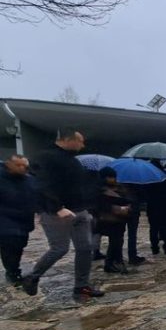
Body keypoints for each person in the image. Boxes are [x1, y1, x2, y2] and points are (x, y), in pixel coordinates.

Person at [21, 128, 105, 300]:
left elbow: (78, 186)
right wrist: (57, 207)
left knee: (85, 248)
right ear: (67, 139)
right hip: (57, 212)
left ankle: (81, 287)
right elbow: (42, 185)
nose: (82, 145)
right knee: (60, 248)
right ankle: (32, 276)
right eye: (80, 141)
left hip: (80, 210)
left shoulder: (72, 160)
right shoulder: (45, 157)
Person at [0, 155, 36, 286]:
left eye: (25, 166)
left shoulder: (29, 180)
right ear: (8, 164)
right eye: (18, 165)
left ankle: (13, 269)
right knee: (9, 247)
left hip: (24, 220)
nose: (22, 168)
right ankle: (12, 272)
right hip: (5, 220)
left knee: (19, 246)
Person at [95, 167, 131, 273]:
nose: (112, 179)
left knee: (117, 241)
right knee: (115, 241)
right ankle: (115, 263)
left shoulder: (120, 188)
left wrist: (127, 208)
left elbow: (127, 199)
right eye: (110, 177)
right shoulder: (99, 190)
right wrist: (118, 209)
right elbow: (100, 206)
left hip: (120, 220)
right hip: (108, 220)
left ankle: (112, 263)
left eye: (113, 177)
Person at [146, 162, 166, 255]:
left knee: (153, 228)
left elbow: (144, 193)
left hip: (152, 206)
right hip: (165, 206)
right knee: (165, 227)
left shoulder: (147, 178)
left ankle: (154, 248)